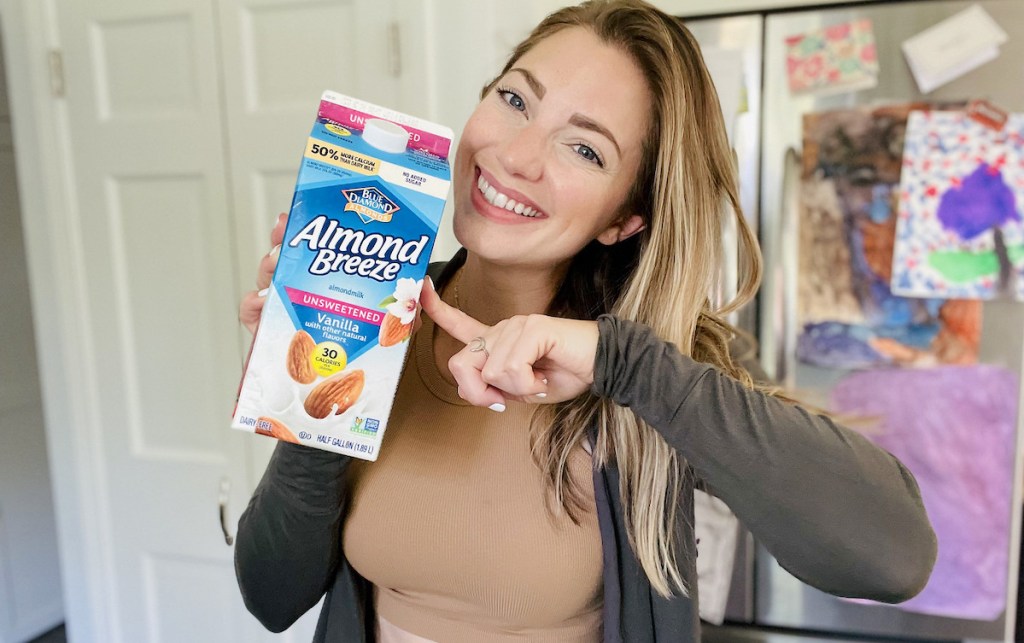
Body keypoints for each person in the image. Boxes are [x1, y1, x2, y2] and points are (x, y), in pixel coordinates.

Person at [234, 1, 937, 641]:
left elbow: (893, 556)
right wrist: (318, 390)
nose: (514, 157)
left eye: (585, 148)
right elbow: (272, 596)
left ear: (624, 218)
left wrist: (623, 364)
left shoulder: (647, 370)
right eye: (515, 100)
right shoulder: (377, 325)